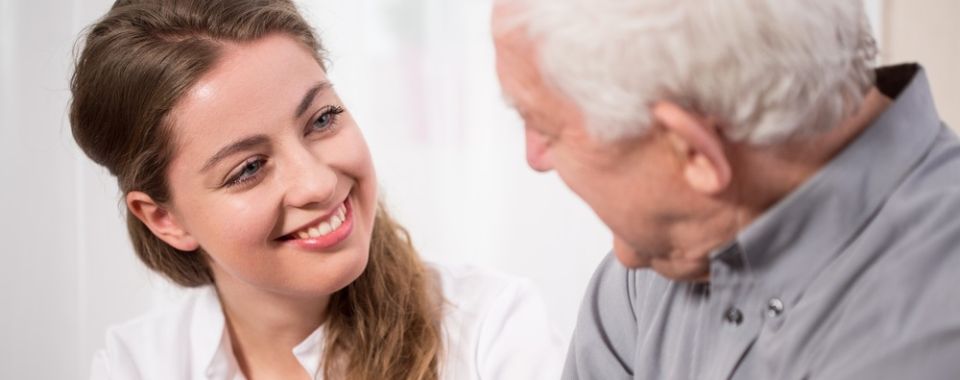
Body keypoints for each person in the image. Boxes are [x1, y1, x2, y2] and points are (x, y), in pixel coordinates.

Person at [71, 1, 562, 379]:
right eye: (248, 168)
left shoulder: (490, 327)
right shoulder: (136, 365)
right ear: (164, 219)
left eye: (322, 119)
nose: (319, 182)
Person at [493, 0, 960, 379]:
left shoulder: (927, 331)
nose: (534, 157)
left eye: (544, 126)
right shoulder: (654, 262)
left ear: (694, 153)